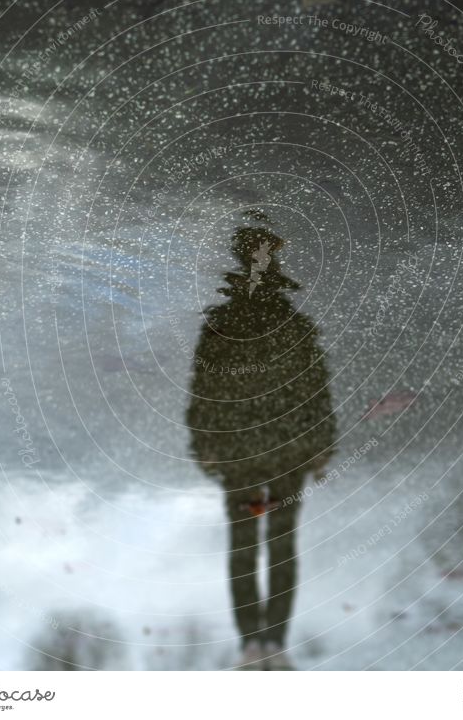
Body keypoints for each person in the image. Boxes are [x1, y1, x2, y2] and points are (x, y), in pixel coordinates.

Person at [186, 220, 336, 670]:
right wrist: (322, 446)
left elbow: (204, 390)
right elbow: (316, 391)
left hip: (242, 452)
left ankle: (258, 645)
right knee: (276, 544)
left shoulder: (224, 324)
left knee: (249, 545)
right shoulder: (295, 325)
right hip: (280, 449)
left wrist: (205, 443)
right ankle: (268, 644)